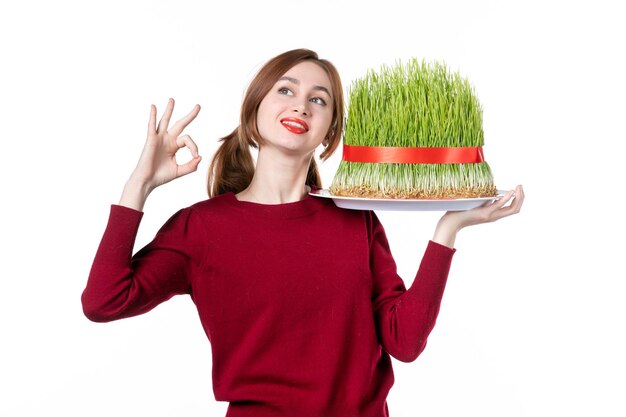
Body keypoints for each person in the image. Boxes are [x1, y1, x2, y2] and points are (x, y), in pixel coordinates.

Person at [82, 48, 524, 417]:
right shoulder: (202, 227)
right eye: (286, 90)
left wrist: (447, 231)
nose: (301, 105)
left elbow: (404, 342)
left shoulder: (356, 218)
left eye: (319, 100)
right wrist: (137, 186)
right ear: (255, 109)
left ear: (330, 133)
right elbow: (104, 301)